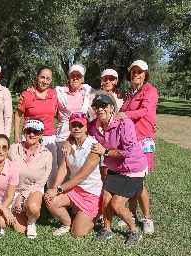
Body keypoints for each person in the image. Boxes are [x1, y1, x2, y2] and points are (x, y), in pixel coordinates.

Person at [88, 90, 148, 246]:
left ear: (112, 108)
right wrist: (69, 140)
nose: (100, 109)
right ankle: (107, 230)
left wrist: (105, 152)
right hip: (115, 167)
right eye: (96, 106)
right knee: (106, 199)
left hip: (133, 168)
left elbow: (128, 151)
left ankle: (134, 231)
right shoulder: (95, 125)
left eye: (103, 105)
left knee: (117, 204)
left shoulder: (124, 123)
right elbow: (81, 131)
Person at [116, 60, 158, 234]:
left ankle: (147, 219)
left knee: (138, 181)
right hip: (130, 141)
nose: (136, 74)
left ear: (145, 74)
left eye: (139, 72)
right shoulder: (130, 93)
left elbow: (145, 111)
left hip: (144, 141)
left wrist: (126, 114)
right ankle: (132, 215)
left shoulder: (150, 90)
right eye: (133, 71)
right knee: (132, 178)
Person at [44, 112, 102, 237]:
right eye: (73, 125)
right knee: (50, 200)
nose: (76, 128)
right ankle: (67, 223)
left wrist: (59, 189)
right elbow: (63, 168)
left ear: (86, 127)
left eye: (80, 125)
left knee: (77, 233)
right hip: (75, 190)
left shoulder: (94, 147)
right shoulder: (69, 145)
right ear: (69, 127)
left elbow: (81, 177)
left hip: (91, 193)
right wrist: (54, 188)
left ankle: (96, 215)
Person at [13, 66, 57, 187]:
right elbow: (17, 116)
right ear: (37, 77)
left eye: (48, 79)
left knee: (51, 169)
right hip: (30, 135)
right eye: (42, 77)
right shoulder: (27, 95)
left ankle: (49, 196)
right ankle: (24, 193)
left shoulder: (54, 95)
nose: (44, 81)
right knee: (27, 167)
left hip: (48, 135)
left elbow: (58, 113)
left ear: (51, 80)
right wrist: (17, 136)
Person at [54, 64, 96, 188]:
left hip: (81, 135)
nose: (75, 78)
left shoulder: (89, 91)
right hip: (63, 134)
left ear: (83, 78)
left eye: (79, 76)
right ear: (68, 77)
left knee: (81, 167)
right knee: (64, 167)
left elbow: (104, 97)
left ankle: (78, 197)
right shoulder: (59, 91)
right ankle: (61, 196)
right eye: (73, 75)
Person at [9, 119, 52, 239]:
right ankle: (16, 210)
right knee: (20, 229)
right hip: (13, 190)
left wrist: (21, 196)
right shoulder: (13, 149)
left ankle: (31, 221)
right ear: (24, 132)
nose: (32, 134)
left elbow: (41, 182)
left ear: (41, 134)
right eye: (29, 131)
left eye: (36, 132)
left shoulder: (47, 154)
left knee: (33, 207)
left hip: (33, 190)